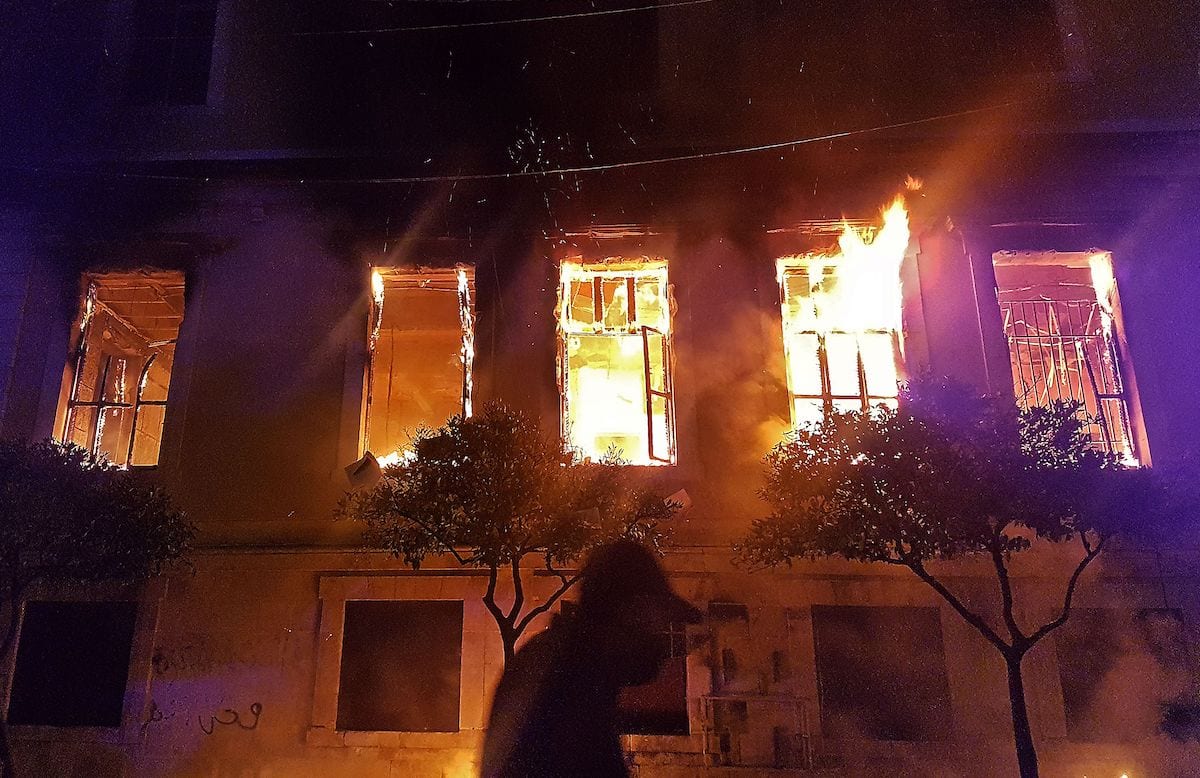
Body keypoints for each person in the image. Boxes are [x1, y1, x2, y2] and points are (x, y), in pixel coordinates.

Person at [480, 540, 702, 778]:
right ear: (631, 610)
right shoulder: (571, 683)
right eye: (654, 620)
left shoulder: (566, 664)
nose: (658, 640)